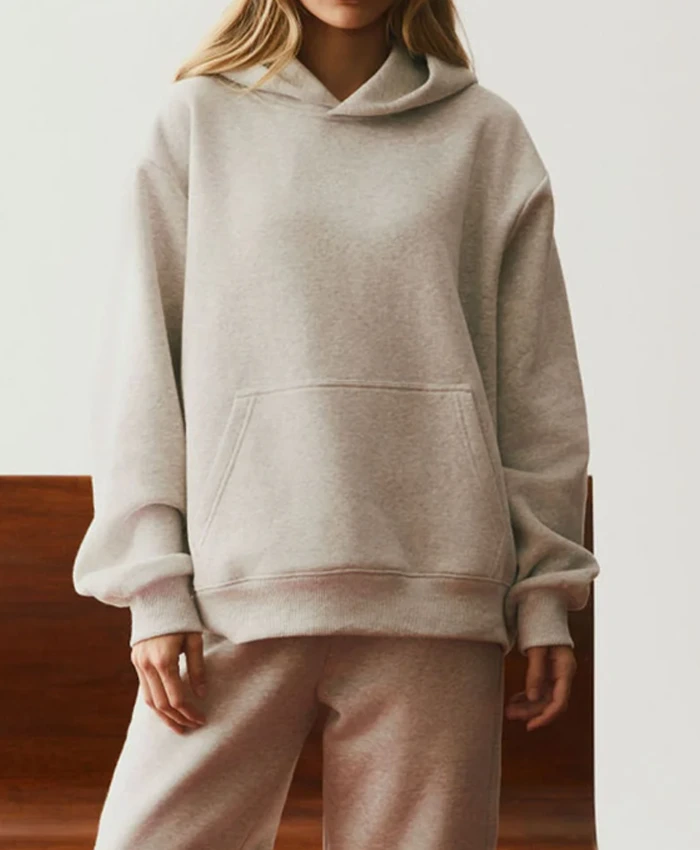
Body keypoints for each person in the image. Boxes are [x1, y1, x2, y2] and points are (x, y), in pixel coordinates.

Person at [72, 0, 601, 845]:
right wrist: (154, 588)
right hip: (235, 597)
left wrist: (545, 593)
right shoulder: (198, 123)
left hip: (436, 599)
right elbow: (140, 367)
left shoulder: (485, 135)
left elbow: (536, 388)